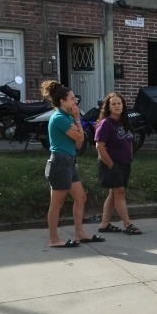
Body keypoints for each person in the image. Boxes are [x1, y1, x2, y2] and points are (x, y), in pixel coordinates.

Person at [42, 80, 99, 248]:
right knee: (56, 204)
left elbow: (79, 144)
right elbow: (80, 138)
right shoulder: (60, 117)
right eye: (72, 98)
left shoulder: (67, 117)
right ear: (63, 101)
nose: (76, 101)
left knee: (81, 197)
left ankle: (79, 233)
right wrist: (77, 119)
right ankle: (53, 239)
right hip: (60, 162)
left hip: (69, 162)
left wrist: (76, 121)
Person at [94, 92, 142, 236]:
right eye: (113, 104)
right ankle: (128, 224)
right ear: (108, 107)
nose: (116, 106)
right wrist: (111, 165)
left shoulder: (125, 122)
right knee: (119, 193)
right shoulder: (106, 123)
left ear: (123, 106)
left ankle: (104, 224)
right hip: (111, 163)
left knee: (114, 194)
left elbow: (130, 141)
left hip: (125, 163)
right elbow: (99, 146)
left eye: (119, 103)